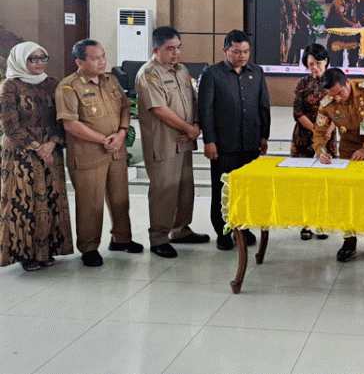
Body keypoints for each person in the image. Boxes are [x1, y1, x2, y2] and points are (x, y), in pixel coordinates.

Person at [56, 39, 142, 267]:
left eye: (103, 56)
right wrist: (104, 139)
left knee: (120, 199)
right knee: (90, 204)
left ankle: (121, 239)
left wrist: (122, 132)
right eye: (96, 58)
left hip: (116, 151)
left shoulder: (111, 80)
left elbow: (125, 107)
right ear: (79, 62)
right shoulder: (69, 86)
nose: (102, 61)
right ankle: (89, 248)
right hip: (88, 154)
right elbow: (70, 124)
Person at [135, 26, 209, 259]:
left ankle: (181, 230)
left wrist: (196, 126)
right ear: (156, 49)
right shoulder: (149, 74)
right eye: (170, 49)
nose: (176, 53)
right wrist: (189, 128)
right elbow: (159, 109)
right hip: (164, 142)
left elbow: (193, 100)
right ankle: (158, 238)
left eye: (178, 47)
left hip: (185, 140)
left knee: (185, 189)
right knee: (164, 191)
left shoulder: (181, 69)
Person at [0, 42, 72, 271]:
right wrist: (36, 147)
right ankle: (26, 254)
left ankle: (46, 249)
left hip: (51, 148)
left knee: (50, 200)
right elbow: (9, 124)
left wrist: (51, 144)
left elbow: (64, 118)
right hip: (21, 152)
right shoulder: (9, 86)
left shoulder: (53, 84)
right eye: (33, 59)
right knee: (24, 203)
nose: (40, 63)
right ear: (21, 60)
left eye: (43, 57)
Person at [198, 30, 271, 250]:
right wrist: (209, 140)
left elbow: (263, 106)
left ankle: (244, 229)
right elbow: (205, 110)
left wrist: (264, 135)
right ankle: (223, 232)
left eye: (246, 51)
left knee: (246, 189)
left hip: (250, 143)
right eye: (237, 51)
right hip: (223, 145)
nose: (242, 56)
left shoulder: (256, 72)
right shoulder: (212, 73)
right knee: (222, 191)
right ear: (225, 50)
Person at [312, 68, 364, 262]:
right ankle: (349, 241)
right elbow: (318, 132)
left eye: (339, 93)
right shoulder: (327, 103)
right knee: (347, 197)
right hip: (347, 152)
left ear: (347, 83)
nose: (337, 98)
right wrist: (321, 152)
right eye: (331, 95)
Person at [291, 43, 335, 240]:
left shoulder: (335, 81)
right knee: (306, 181)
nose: (314, 68)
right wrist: (317, 130)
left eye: (318, 63)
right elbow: (297, 112)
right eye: (310, 65)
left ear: (326, 61)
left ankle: (323, 221)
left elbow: (340, 110)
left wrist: (329, 130)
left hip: (327, 139)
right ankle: (306, 223)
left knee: (324, 181)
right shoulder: (302, 84)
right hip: (304, 139)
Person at [325, 0, 361, 68]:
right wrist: (353, 25)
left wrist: (355, 23)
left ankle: (352, 67)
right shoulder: (339, 0)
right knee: (337, 62)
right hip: (335, 31)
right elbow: (341, 17)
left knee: (354, 48)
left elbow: (353, 13)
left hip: (346, 30)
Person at [280, 0, 299, 64]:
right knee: (285, 43)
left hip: (289, 21)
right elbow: (293, 4)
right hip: (285, 21)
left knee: (288, 43)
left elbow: (296, 2)